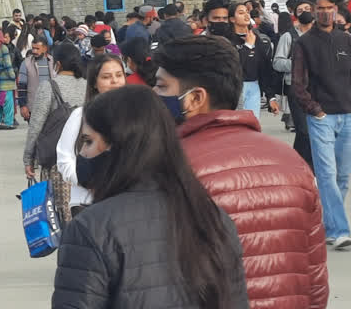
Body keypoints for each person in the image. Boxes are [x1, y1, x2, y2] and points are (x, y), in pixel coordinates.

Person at [153, 35, 330, 304]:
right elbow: (315, 277)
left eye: (161, 86)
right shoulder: (294, 163)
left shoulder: (169, 168)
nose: (154, 95)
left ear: (195, 98)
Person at [53, 86, 248, 309]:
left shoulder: (89, 229)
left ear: (117, 146)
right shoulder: (213, 217)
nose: (83, 154)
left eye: (88, 141)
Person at [291, 0, 351, 250]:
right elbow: (297, 83)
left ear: (336, 10)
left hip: (347, 114)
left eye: (330, 8)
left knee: (344, 177)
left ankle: (329, 224)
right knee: (326, 175)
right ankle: (340, 229)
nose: (326, 12)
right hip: (322, 118)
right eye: (321, 8)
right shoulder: (304, 43)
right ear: (313, 10)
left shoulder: (345, 39)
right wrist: (314, 109)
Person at [56, 54, 126, 217]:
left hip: (124, 204)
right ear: (94, 83)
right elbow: (64, 159)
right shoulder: (81, 116)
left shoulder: (135, 115)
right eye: (107, 77)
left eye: (119, 75)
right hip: (87, 204)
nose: (115, 81)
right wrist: (86, 180)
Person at [23, 43, 85, 223]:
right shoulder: (88, 86)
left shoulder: (49, 87)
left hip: (56, 163)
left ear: (57, 64)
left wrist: (29, 159)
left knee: (60, 215)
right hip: (85, 160)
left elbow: (36, 126)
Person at [273, 0, 314, 167]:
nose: (304, 11)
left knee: (313, 130)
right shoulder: (289, 36)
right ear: (294, 14)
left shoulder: (321, 34)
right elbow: (277, 62)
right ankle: (305, 165)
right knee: (303, 130)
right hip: (296, 88)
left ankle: (297, 163)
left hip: (319, 88)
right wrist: (298, 64)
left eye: (307, 8)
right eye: (300, 9)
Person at [228, 2, 279, 120]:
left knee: (253, 125)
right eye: (241, 13)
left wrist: (271, 97)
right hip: (235, 88)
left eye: (247, 12)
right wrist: (248, 47)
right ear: (232, 19)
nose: (246, 15)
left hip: (254, 87)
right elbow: (234, 67)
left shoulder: (256, 38)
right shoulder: (227, 40)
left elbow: (265, 68)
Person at [17, 38, 55, 122]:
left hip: (51, 107)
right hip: (33, 108)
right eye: (33, 48)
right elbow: (21, 87)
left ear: (45, 48)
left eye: (37, 48)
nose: (34, 51)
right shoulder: (26, 63)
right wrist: (23, 106)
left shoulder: (53, 61)